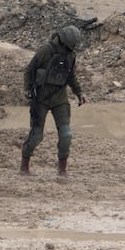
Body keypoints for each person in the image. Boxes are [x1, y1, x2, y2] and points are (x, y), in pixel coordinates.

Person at [21, 25, 86, 177]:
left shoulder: (71, 56)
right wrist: (27, 89)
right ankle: (24, 166)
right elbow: (29, 70)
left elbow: (71, 76)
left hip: (60, 98)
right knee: (36, 136)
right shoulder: (46, 51)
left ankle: (62, 170)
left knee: (66, 135)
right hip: (41, 99)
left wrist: (79, 93)